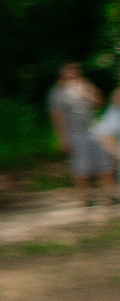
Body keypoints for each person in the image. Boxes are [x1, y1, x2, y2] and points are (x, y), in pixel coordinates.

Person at [48, 63, 114, 207]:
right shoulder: (57, 92)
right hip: (74, 132)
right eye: (69, 72)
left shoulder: (84, 85)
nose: (73, 74)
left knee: (104, 162)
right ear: (62, 74)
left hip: (92, 128)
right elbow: (56, 117)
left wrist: (91, 93)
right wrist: (63, 138)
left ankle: (109, 195)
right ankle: (85, 198)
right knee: (80, 166)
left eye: (75, 71)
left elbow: (99, 102)